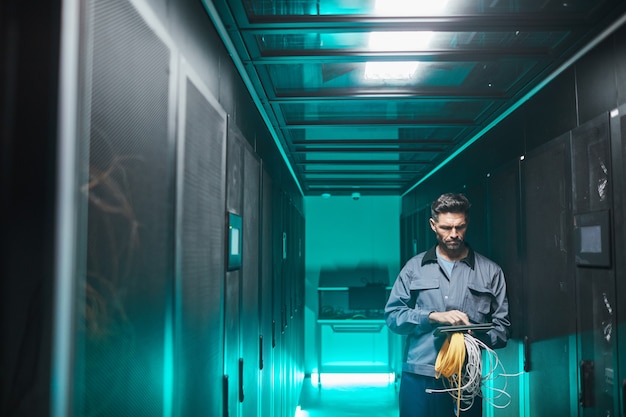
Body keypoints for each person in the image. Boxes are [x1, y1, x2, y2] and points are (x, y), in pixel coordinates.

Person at [385, 193, 510, 417]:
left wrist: (475, 334)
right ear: (433, 225)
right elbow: (394, 318)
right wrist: (432, 316)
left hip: (466, 377)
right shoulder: (414, 268)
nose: (453, 234)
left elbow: (502, 330)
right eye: (446, 228)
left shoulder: (491, 272)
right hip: (419, 375)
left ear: (467, 224)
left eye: (459, 227)